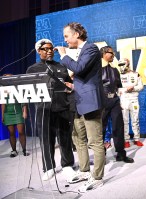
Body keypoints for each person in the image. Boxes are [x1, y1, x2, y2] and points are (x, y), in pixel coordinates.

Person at [56, 22, 106, 192]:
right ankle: (85, 171)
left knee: (95, 141)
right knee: (78, 139)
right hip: (78, 100)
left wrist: (63, 55)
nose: (65, 40)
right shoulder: (81, 51)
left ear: (76, 34)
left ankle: (98, 177)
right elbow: (84, 77)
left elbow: (79, 68)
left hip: (90, 101)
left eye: (66, 36)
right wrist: (72, 86)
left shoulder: (91, 48)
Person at [26, 39, 75, 181]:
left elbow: (69, 86)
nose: (49, 51)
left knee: (65, 138)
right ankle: (49, 167)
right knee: (46, 140)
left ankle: (67, 165)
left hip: (62, 108)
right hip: (43, 110)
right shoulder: (32, 69)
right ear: (38, 51)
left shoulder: (61, 66)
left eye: (51, 48)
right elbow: (29, 91)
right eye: (45, 49)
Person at [100, 45, 134, 163]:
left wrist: (119, 100)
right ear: (104, 53)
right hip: (102, 101)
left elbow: (118, 86)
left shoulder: (114, 69)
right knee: (101, 129)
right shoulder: (96, 69)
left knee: (118, 127)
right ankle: (101, 156)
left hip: (114, 100)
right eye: (111, 53)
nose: (113, 55)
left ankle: (121, 154)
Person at [118, 58, 144, 148]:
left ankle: (137, 139)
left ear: (127, 64)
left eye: (122, 65)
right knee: (125, 121)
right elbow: (117, 89)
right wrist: (126, 89)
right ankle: (126, 140)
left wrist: (133, 88)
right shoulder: (118, 75)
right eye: (119, 65)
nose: (121, 67)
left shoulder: (135, 74)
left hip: (134, 99)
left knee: (135, 120)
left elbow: (141, 86)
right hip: (124, 99)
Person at [1, 74, 28, 157]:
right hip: (8, 113)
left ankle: (24, 150)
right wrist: (2, 115)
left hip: (19, 111)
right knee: (11, 132)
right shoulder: (3, 88)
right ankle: (14, 151)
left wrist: (25, 111)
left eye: (9, 77)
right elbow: (3, 103)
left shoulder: (17, 87)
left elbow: (23, 100)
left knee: (21, 132)